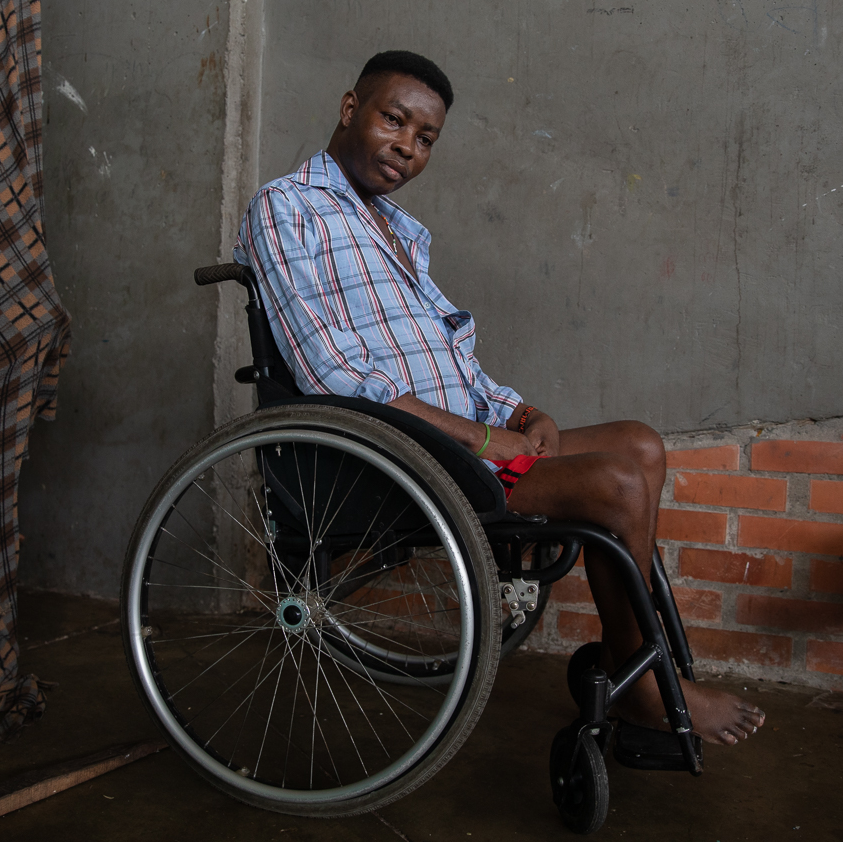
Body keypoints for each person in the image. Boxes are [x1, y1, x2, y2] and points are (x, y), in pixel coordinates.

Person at [234, 50, 764, 749]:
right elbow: (332, 373)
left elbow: (446, 354)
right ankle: (640, 685)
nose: (407, 147)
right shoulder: (286, 207)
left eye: (426, 138)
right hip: (394, 455)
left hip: (458, 438)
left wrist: (516, 413)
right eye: (394, 120)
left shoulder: (395, 230)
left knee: (637, 442)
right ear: (349, 108)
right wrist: (483, 441)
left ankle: (625, 655)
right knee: (615, 484)